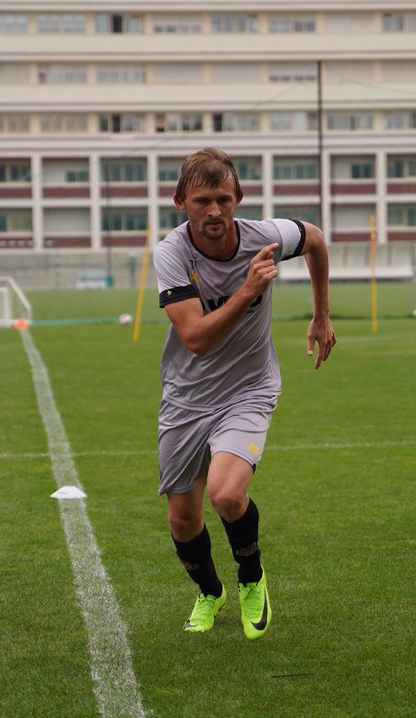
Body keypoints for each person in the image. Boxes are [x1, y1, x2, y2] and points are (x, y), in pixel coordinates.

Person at [153, 147, 336, 639]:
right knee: (182, 521)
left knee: (228, 494)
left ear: (239, 198)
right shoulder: (171, 254)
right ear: (179, 203)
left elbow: (315, 239)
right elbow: (196, 337)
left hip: (249, 390)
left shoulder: (266, 236)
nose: (213, 211)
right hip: (187, 396)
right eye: (201, 201)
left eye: (222, 199)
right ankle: (209, 592)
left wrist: (321, 313)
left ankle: (251, 578)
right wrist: (248, 290)